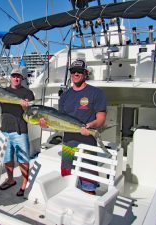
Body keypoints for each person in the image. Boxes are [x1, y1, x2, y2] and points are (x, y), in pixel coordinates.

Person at [39, 58, 107, 195]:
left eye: (79, 71)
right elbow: (60, 122)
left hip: (87, 143)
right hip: (68, 144)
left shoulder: (96, 93)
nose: (76, 74)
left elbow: (101, 118)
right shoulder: (65, 96)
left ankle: (89, 209)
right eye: (73, 71)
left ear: (85, 73)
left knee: (88, 183)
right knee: (66, 176)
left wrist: (92, 126)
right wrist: (46, 124)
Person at [0, 67, 35, 197]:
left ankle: (24, 183)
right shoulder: (4, 91)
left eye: (18, 76)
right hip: (5, 129)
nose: (16, 78)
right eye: (14, 76)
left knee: (23, 159)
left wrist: (27, 106)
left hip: (20, 130)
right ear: (10, 77)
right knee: (7, 158)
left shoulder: (27, 93)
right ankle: (10, 179)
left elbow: (32, 111)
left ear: (22, 78)